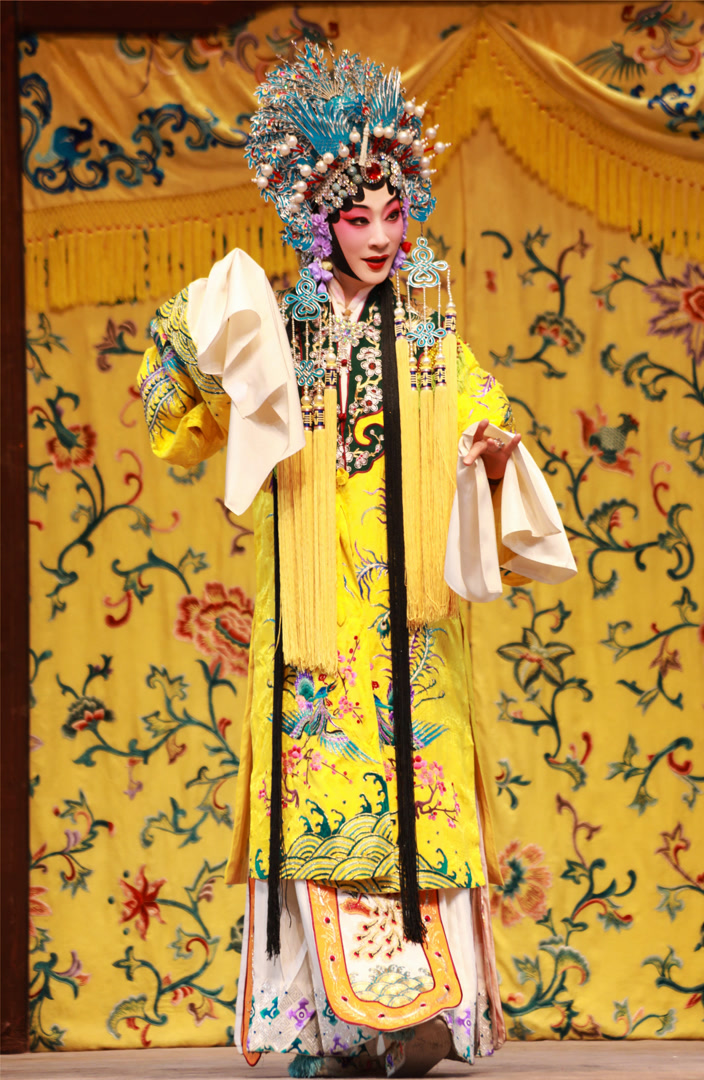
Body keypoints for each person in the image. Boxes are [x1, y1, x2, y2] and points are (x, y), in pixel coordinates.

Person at [138, 44, 576, 1078]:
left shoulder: (428, 336)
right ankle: (322, 1027)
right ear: (316, 224)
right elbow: (184, 408)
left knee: (421, 803)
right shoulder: (275, 329)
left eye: (392, 214)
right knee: (313, 803)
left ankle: (423, 1017)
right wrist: (215, 329)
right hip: (312, 611)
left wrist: (490, 453)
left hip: (411, 614)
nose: (380, 236)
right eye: (356, 218)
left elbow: (485, 422)